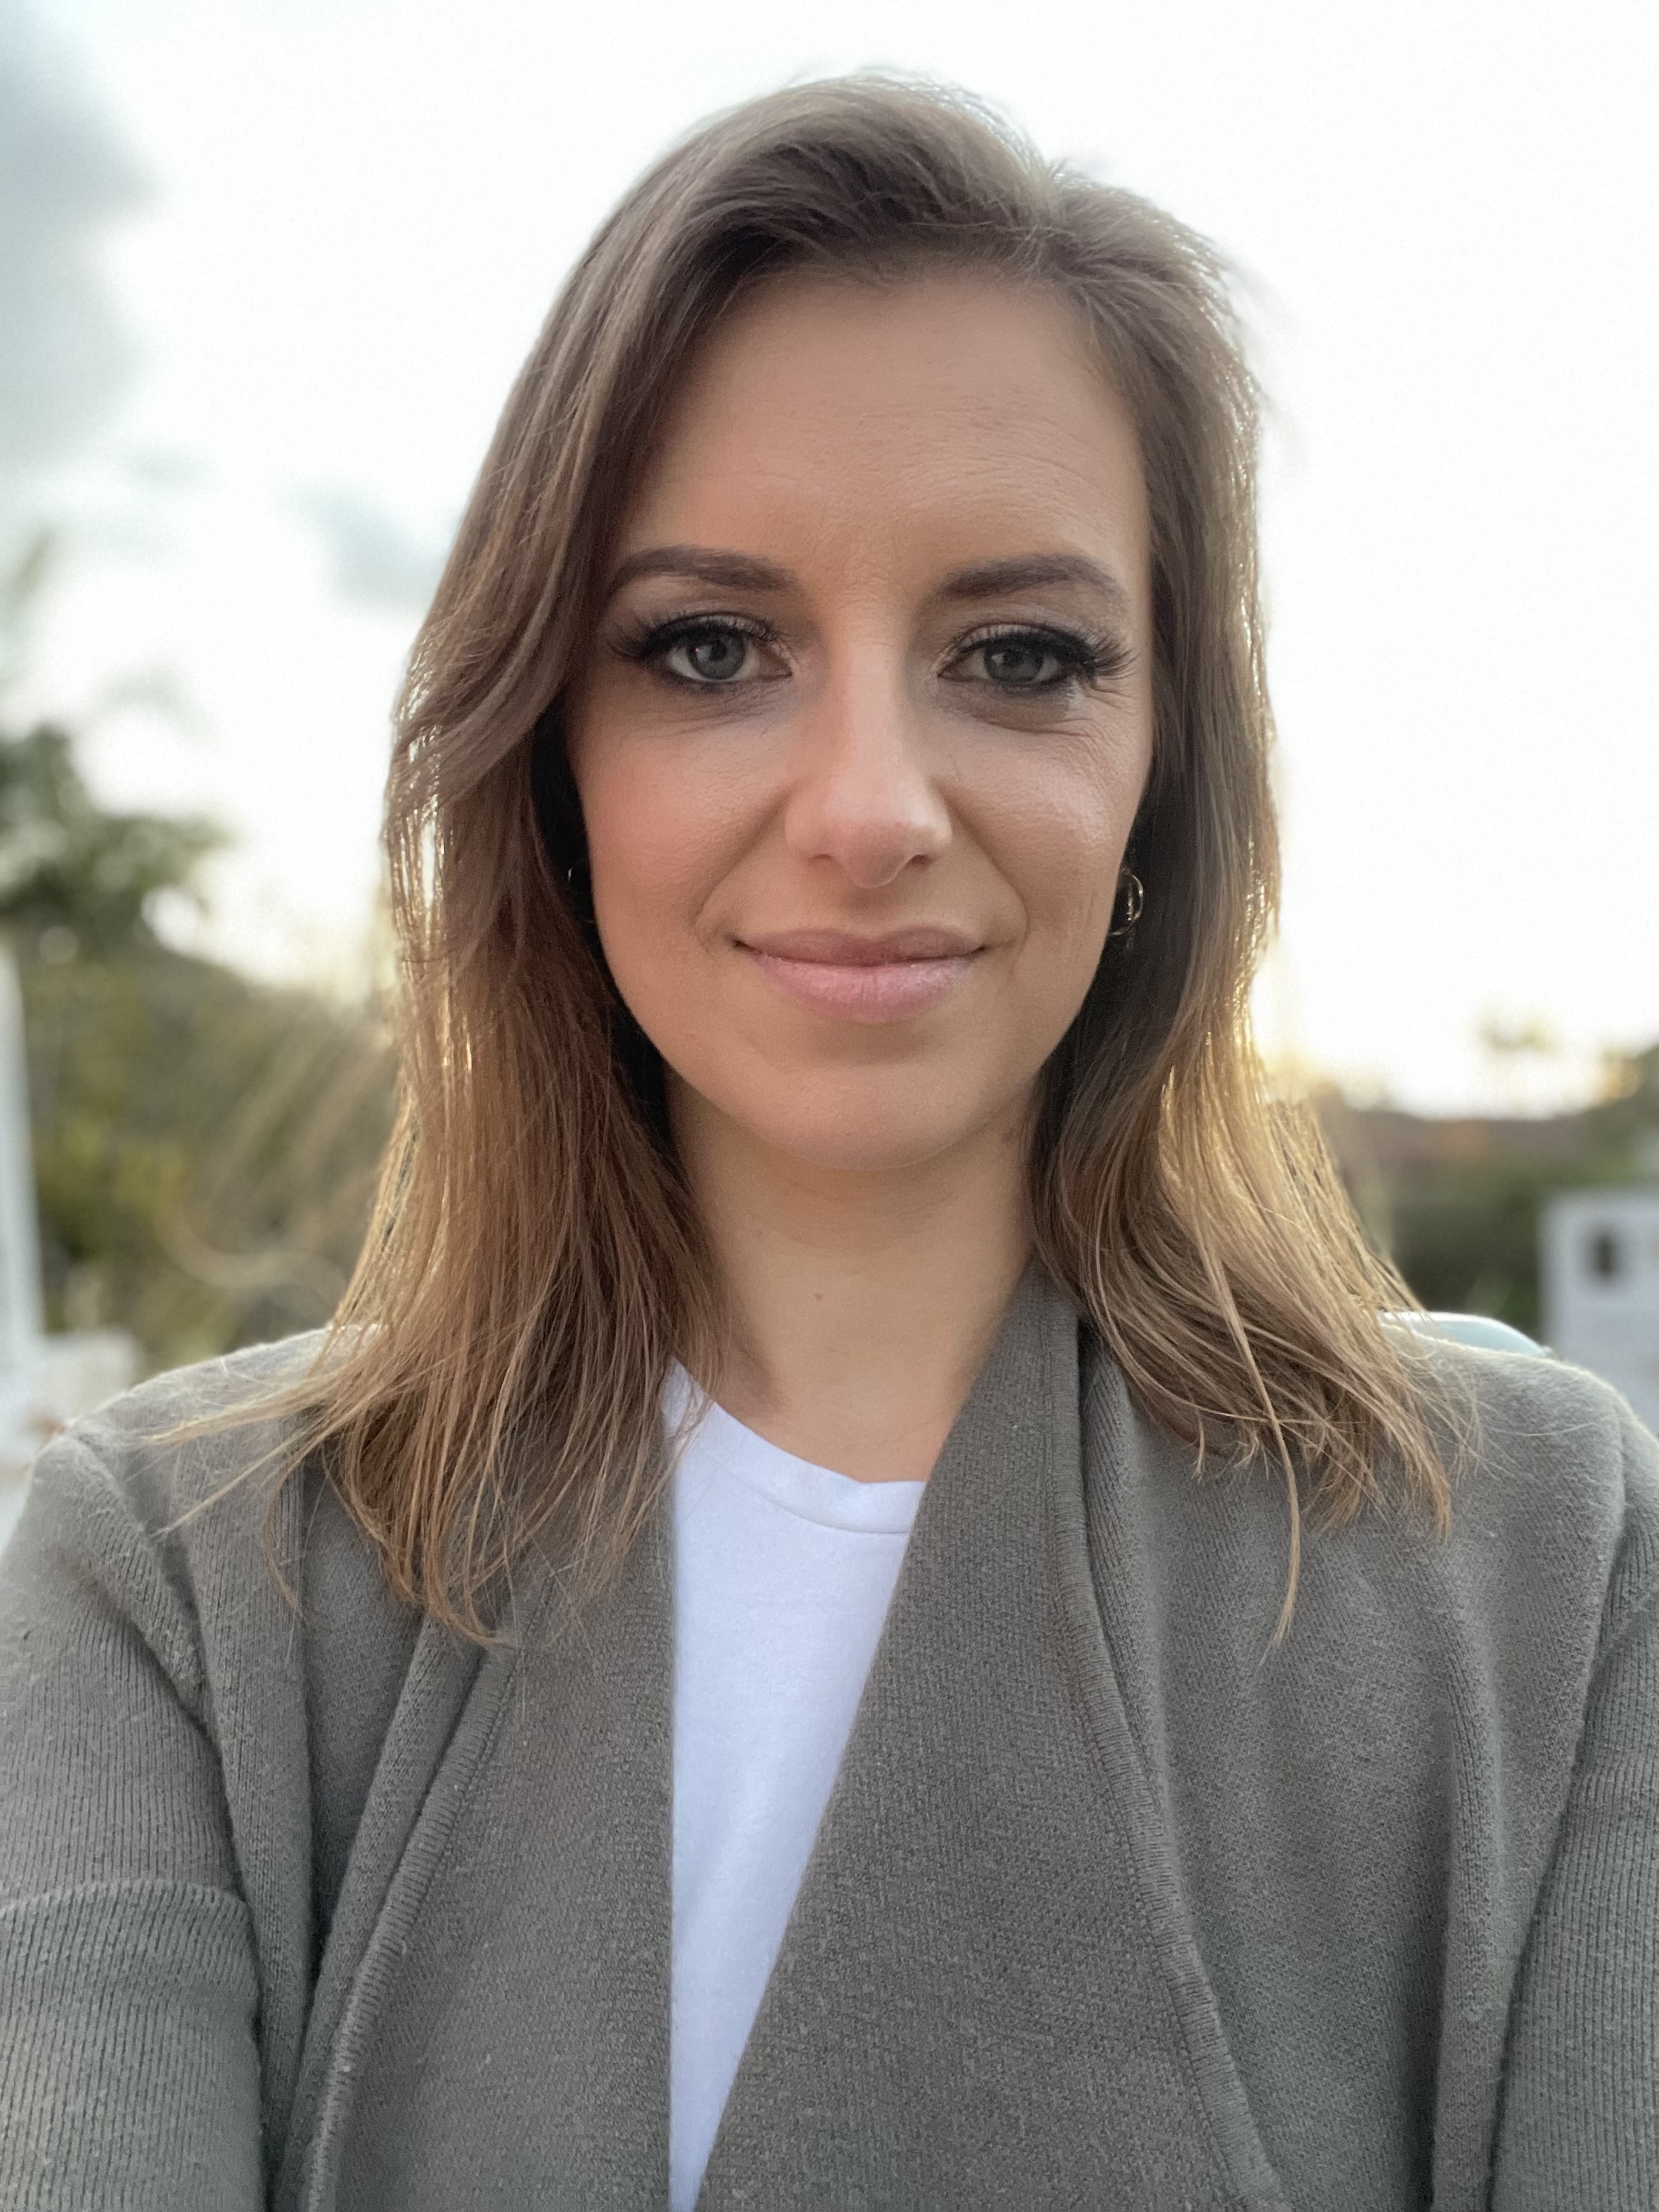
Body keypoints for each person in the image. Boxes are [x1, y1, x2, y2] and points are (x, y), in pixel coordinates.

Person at [1, 74, 1653, 2212]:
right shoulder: (175, 1587)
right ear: (545, 752)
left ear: (1166, 762)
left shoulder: (1546, 1565)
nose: (871, 808)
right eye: (710, 648)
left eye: (1019, 655)